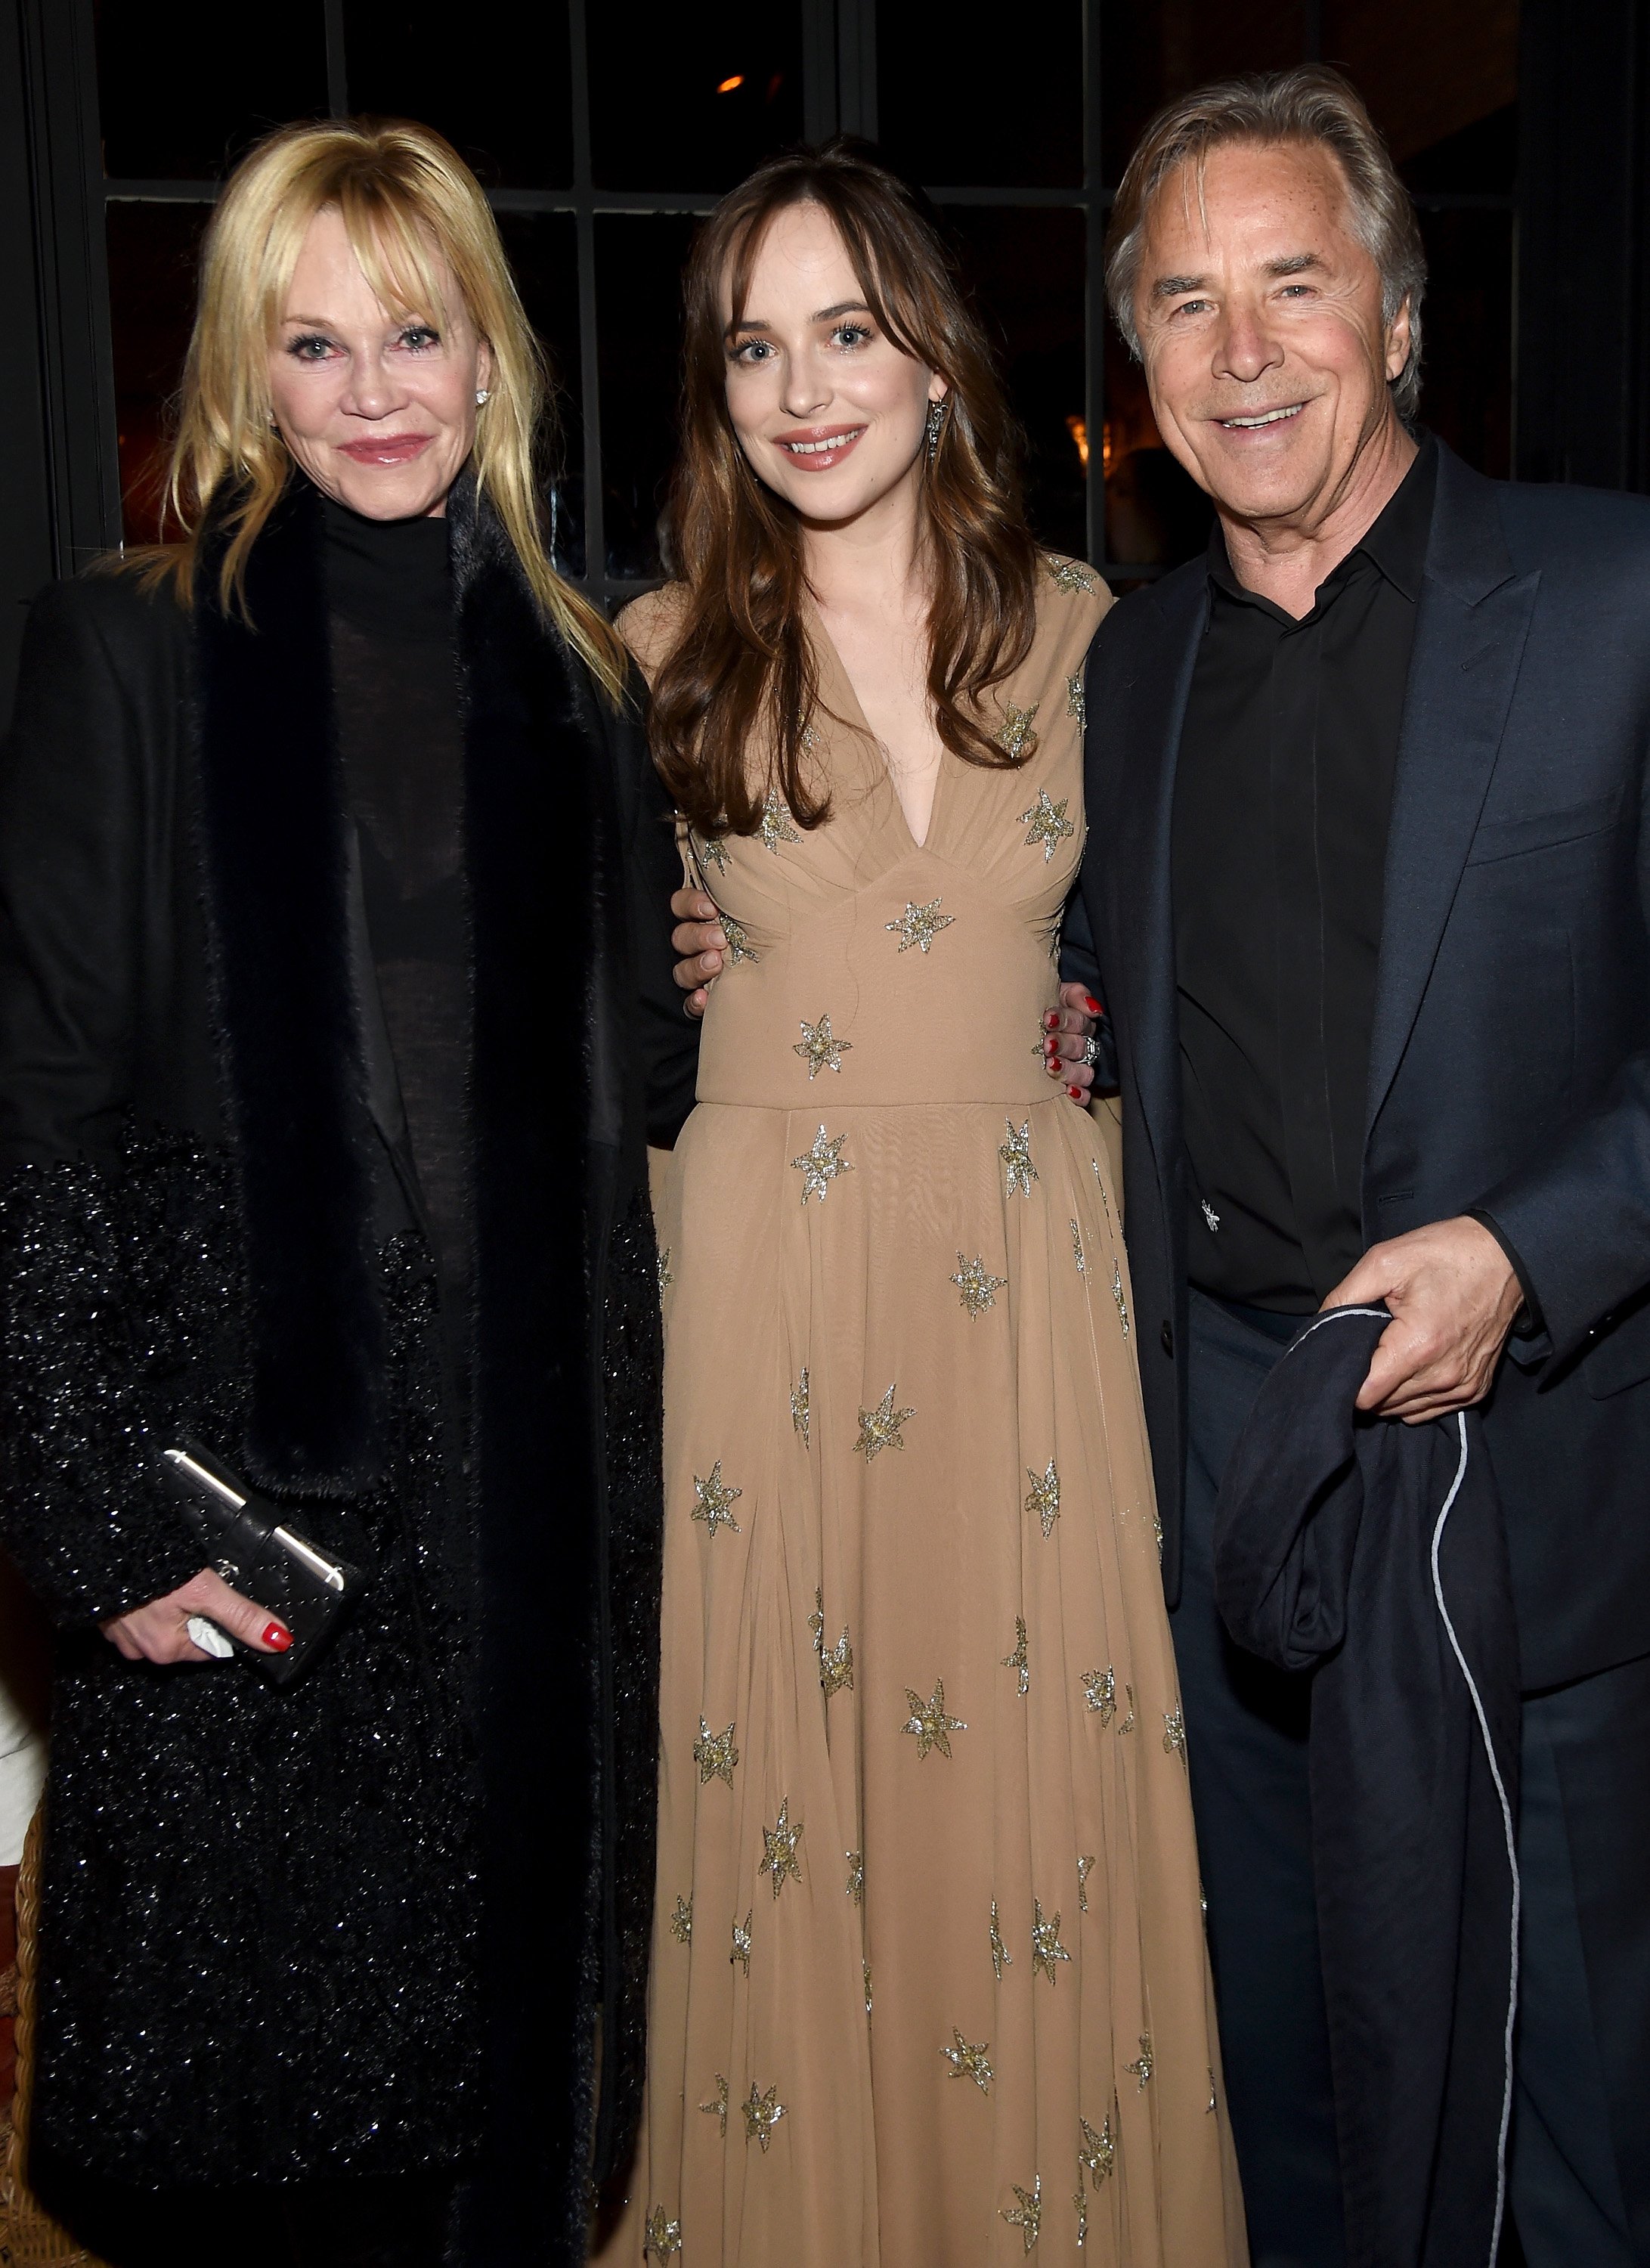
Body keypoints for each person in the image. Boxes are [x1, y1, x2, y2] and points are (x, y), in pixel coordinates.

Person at [0, 117, 692, 2266]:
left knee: (497, 2142)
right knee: (253, 2154)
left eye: (420, 330)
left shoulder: (580, 684)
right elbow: (30, 1115)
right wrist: (102, 1514)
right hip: (258, 1509)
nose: (377, 389)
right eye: (317, 344)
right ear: (245, 375)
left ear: (494, 358)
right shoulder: (129, 655)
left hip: (527, 1528)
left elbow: (628, 1090)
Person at [601, 141, 1246, 2268]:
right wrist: (671, 968)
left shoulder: (1099, 641)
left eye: (848, 332)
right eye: (756, 346)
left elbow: (1195, 970)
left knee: (1008, 1832)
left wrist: (1091, 1028)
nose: (805, 389)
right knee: (776, 1821)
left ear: (937, 362)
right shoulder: (652, 655)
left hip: (1020, 1302)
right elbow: (545, 1012)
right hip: (756, 1301)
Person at [1066, 67, 1648, 2268]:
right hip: (1240, 1448)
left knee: (1568, 2109)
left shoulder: (1612, 594)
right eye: (1188, 305)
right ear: (1139, 372)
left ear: (1396, 316)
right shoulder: (1134, 672)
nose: (1243, 352)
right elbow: (1115, 973)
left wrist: (1533, 1244)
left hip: (1542, 1464)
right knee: (1292, 2092)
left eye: (1293, 286)